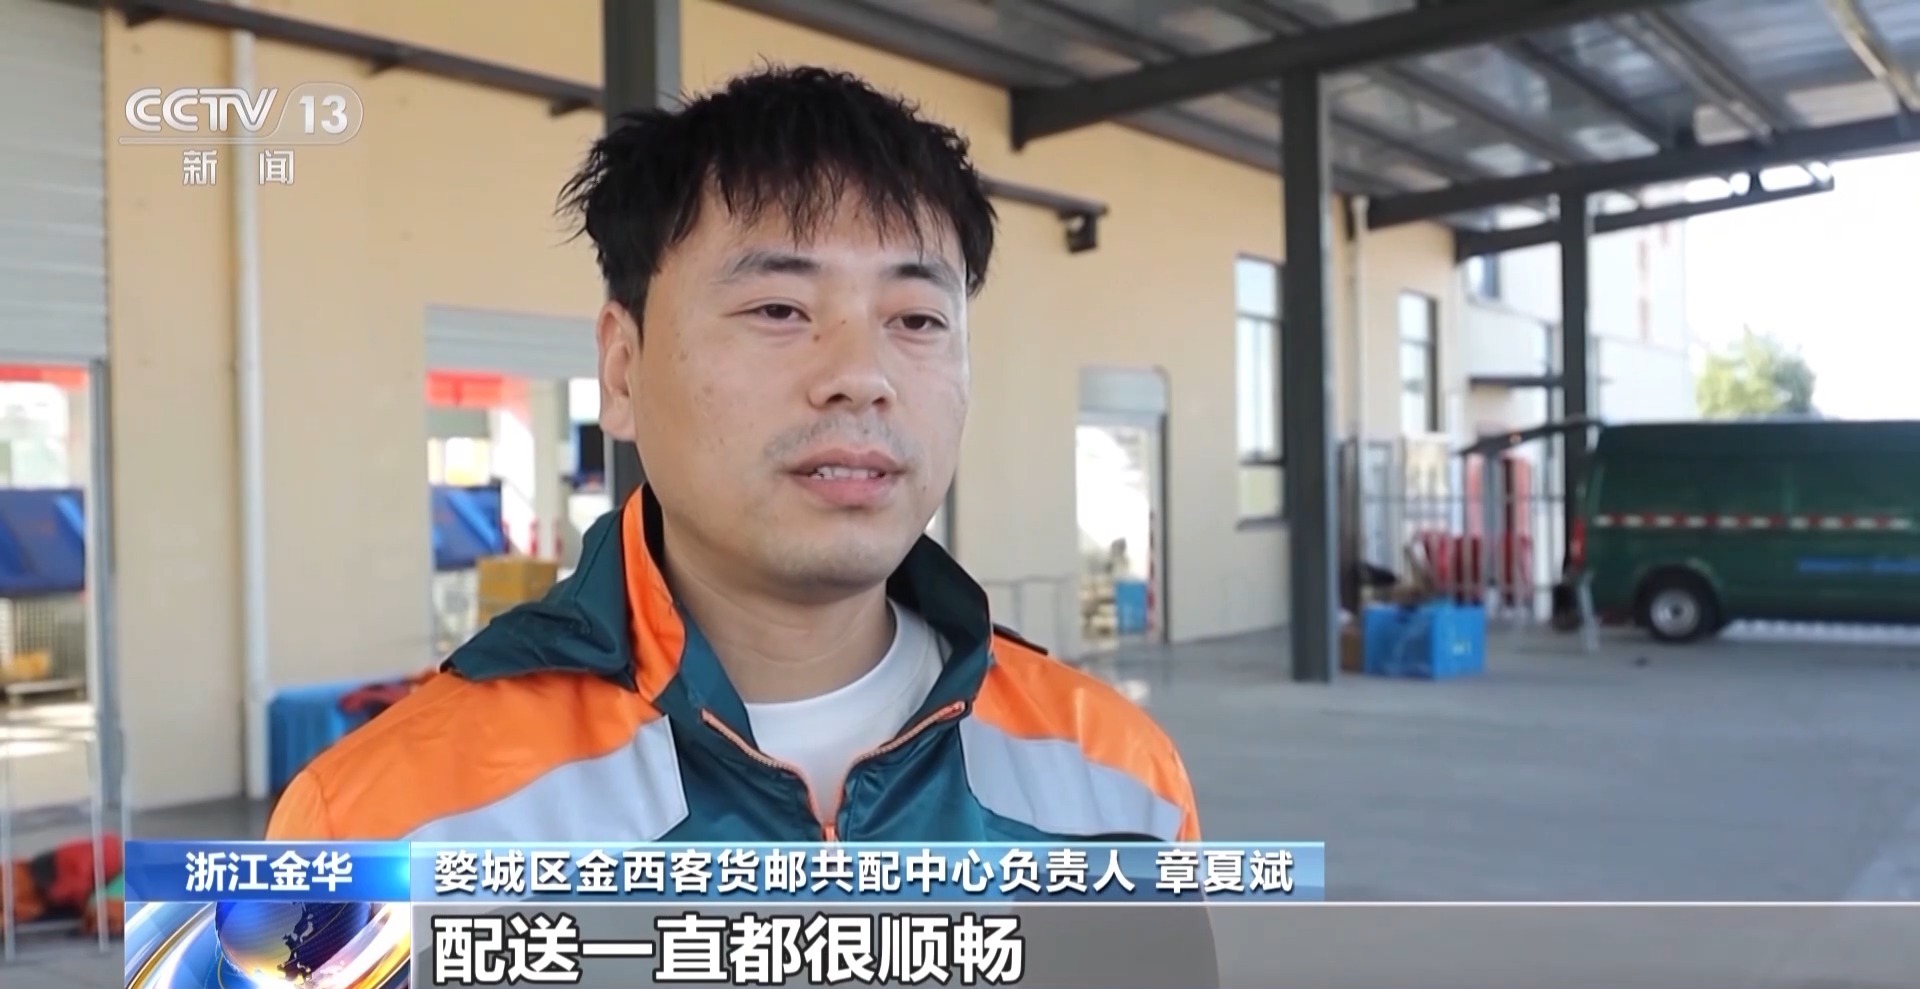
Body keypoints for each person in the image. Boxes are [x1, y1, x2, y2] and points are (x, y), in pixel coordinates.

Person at [265, 66, 1201, 847]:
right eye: (779, 310)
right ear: (622, 372)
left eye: (917, 319)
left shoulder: (1122, 785)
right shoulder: (382, 823)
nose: (861, 377)